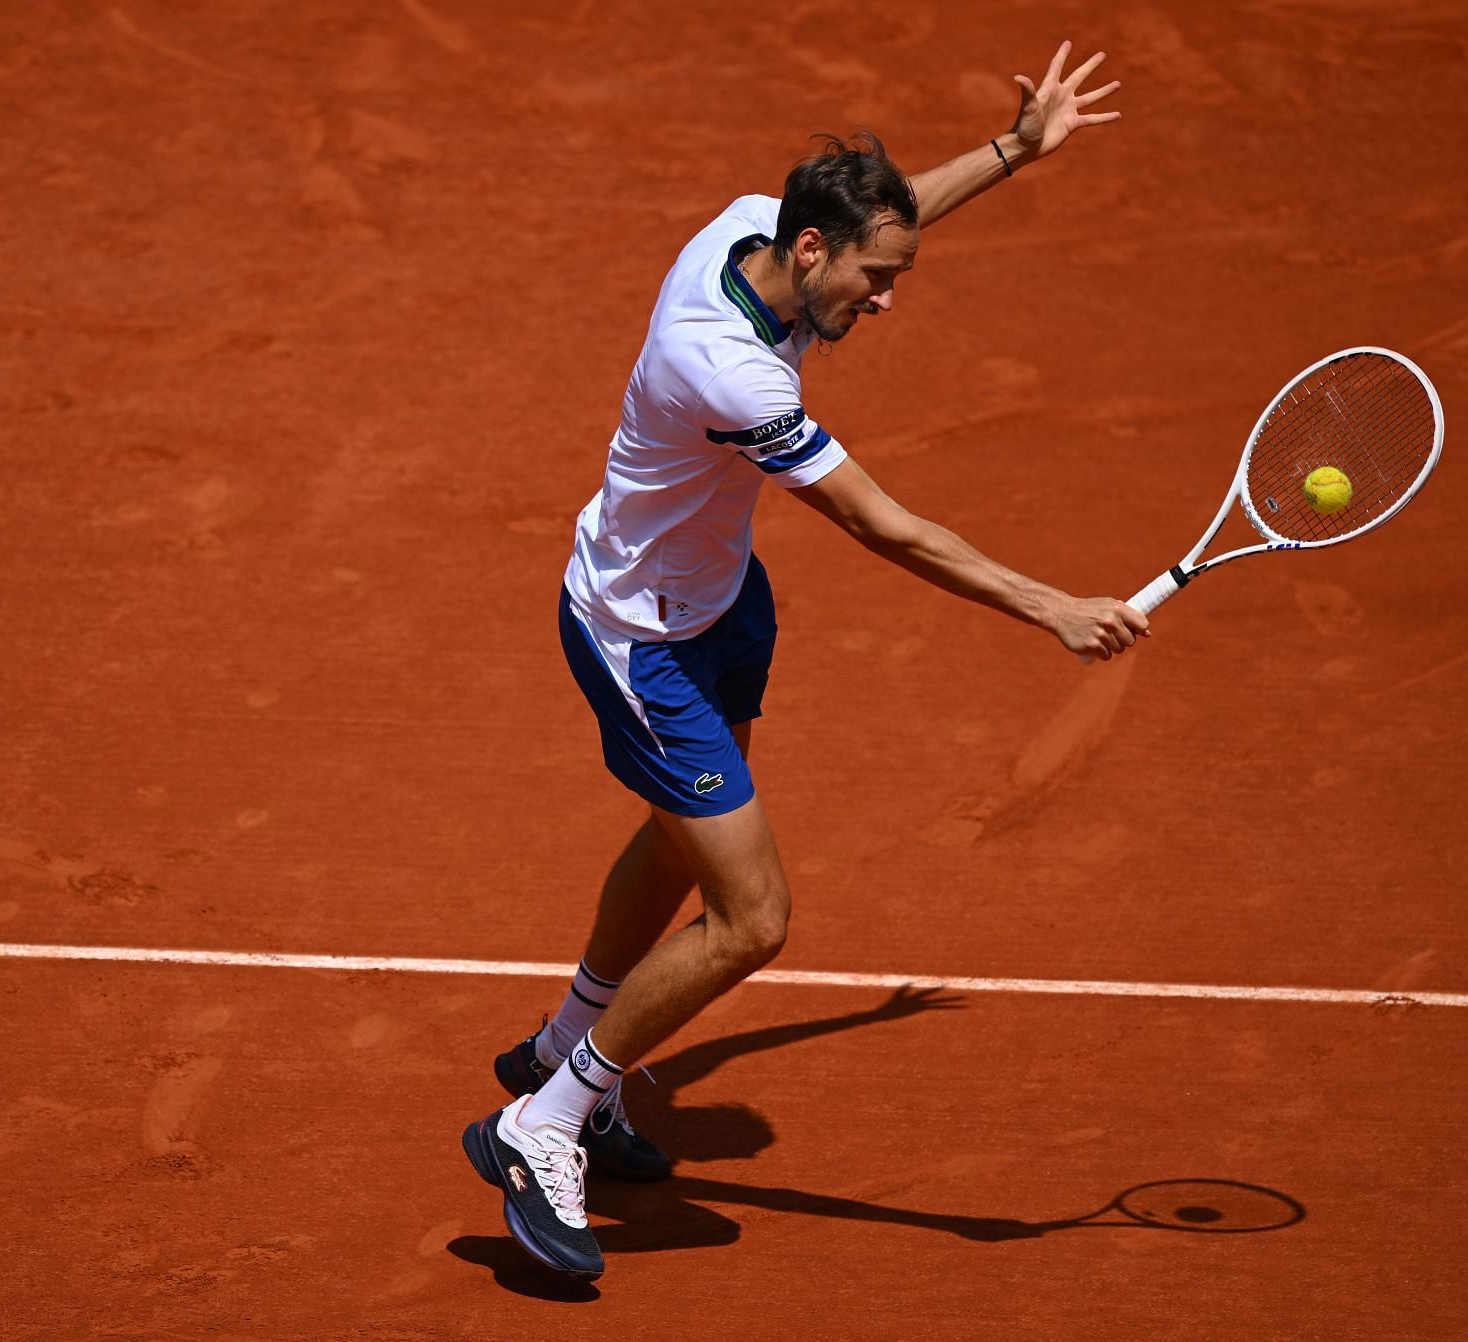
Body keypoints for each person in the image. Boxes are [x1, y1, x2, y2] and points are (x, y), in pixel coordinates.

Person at [461, 40, 1147, 1280]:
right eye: (875, 284)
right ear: (815, 255)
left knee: (685, 836)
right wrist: (1048, 603)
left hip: (719, 603)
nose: (885, 302)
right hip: (640, 637)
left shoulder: (758, 227)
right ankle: (544, 1119)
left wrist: (1011, 153)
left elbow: (889, 215)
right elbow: (885, 525)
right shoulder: (717, 361)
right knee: (753, 917)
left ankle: (563, 1043)